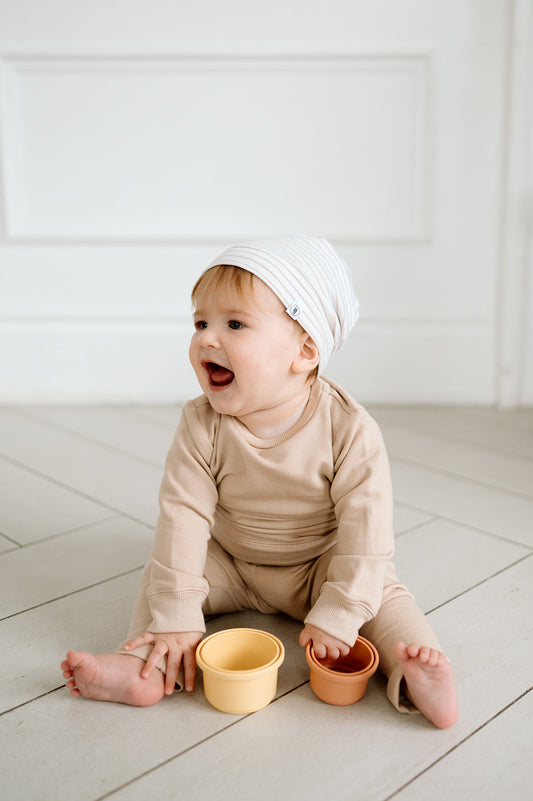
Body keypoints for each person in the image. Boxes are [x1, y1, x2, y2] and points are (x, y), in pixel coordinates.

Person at [61, 235, 458, 728]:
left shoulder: (349, 430)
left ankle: (414, 668)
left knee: (381, 590)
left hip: (319, 565)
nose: (207, 338)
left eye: (234, 324)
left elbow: (366, 535)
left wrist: (340, 611)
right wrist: (179, 617)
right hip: (230, 561)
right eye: (201, 322)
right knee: (166, 574)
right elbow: (182, 516)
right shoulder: (201, 424)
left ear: (305, 350)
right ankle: (143, 664)